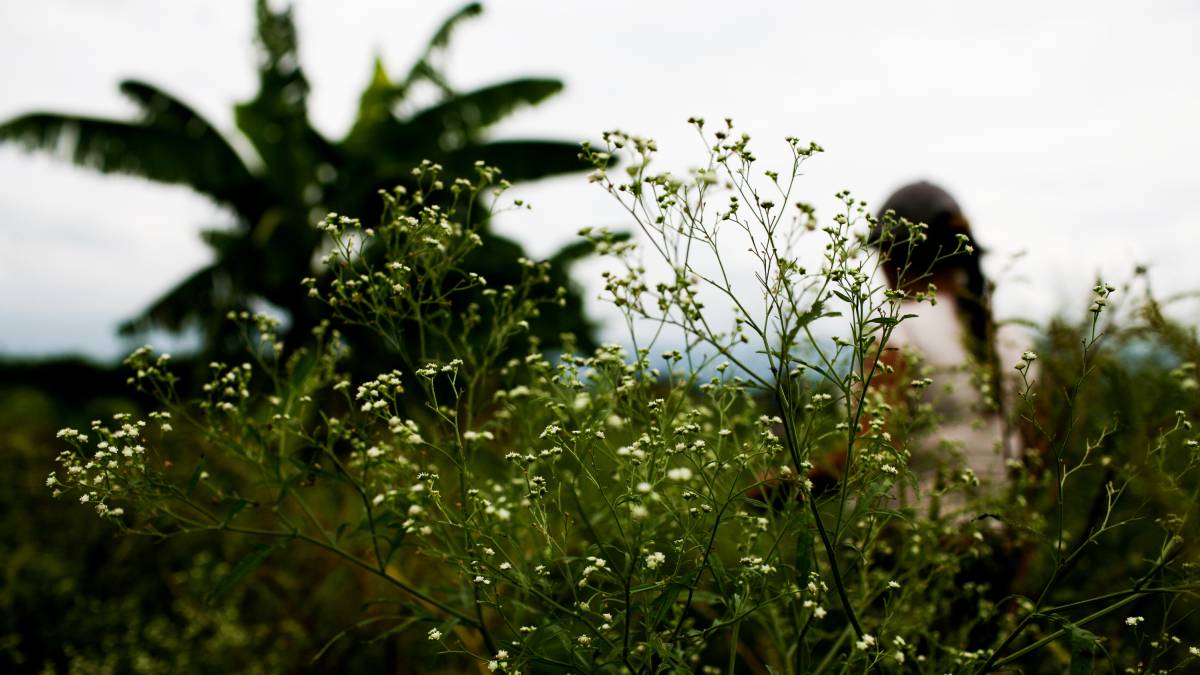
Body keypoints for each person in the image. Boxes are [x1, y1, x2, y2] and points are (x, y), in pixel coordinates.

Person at [869, 181, 1022, 517]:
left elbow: (868, 458)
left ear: (891, 255)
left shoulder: (898, 332)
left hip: (912, 548)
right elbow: (1038, 455)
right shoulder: (1012, 341)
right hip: (999, 544)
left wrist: (783, 487)